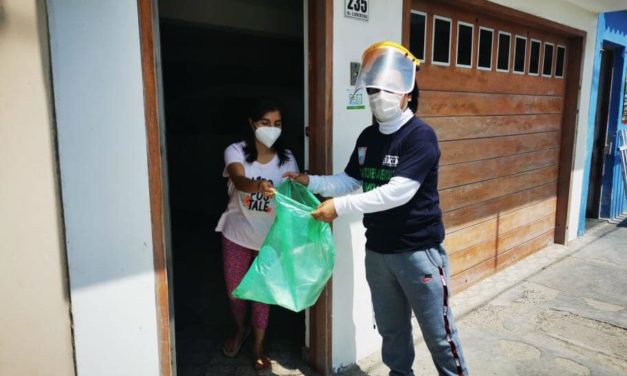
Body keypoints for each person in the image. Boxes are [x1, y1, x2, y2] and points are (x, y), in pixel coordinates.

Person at [284, 42, 469, 376]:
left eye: (387, 88)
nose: (377, 96)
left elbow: (398, 192)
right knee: (392, 332)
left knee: (439, 336)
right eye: (372, 89)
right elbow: (349, 180)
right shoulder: (369, 136)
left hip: (418, 252)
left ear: (408, 93)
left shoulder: (420, 136)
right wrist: (309, 181)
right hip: (378, 252)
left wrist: (338, 208)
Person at [215, 98, 299, 373]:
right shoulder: (235, 151)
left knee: (263, 295)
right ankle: (241, 330)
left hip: (269, 240)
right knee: (236, 293)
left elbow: (292, 196)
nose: (271, 128)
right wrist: (257, 186)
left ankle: (258, 346)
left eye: (277, 124)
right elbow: (238, 180)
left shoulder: (287, 160)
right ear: (252, 123)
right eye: (265, 123)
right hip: (237, 234)